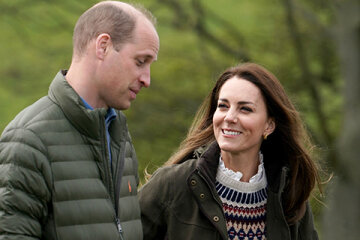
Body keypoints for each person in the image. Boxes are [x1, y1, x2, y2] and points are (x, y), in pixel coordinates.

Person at [0, 1, 159, 240]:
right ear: (103, 46)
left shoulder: (120, 135)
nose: (147, 79)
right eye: (140, 61)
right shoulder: (27, 140)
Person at [139, 63, 320, 240]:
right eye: (223, 106)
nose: (229, 117)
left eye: (245, 109)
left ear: (269, 125)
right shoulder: (172, 184)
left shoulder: (290, 197)